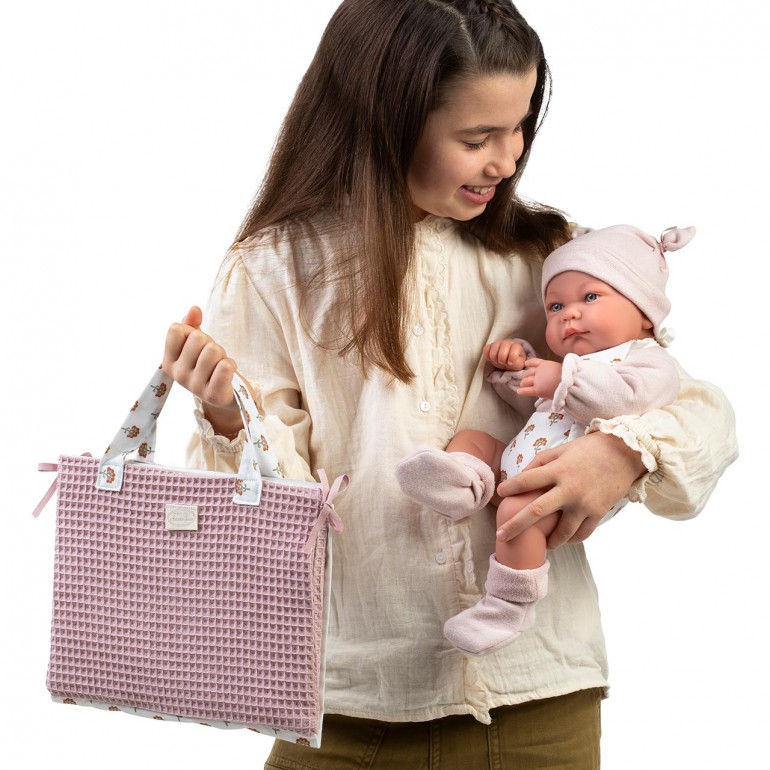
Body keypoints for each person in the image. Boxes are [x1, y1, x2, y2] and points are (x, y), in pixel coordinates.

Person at [160, 1, 737, 767]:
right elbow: (268, 522)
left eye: (519, 128)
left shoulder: (551, 260)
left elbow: (700, 411)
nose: (506, 160)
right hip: (348, 707)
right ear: (385, 122)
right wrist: (228, 419)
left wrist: (623, 454)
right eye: (476, 138)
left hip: (540, 701)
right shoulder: (273, 270)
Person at [395, 223, 693, 657]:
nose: (569, 314)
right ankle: (464, 485)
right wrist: (517, 367)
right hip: (522, 462)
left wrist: (561, 379)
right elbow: (532, 410)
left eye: (590, 297)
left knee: (518, 512)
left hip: (569, 486)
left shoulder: (648, 363)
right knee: (472, 439)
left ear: (645, 313)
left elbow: (625, 401)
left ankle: (508, 607)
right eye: (555, 306)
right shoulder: (570, 364)